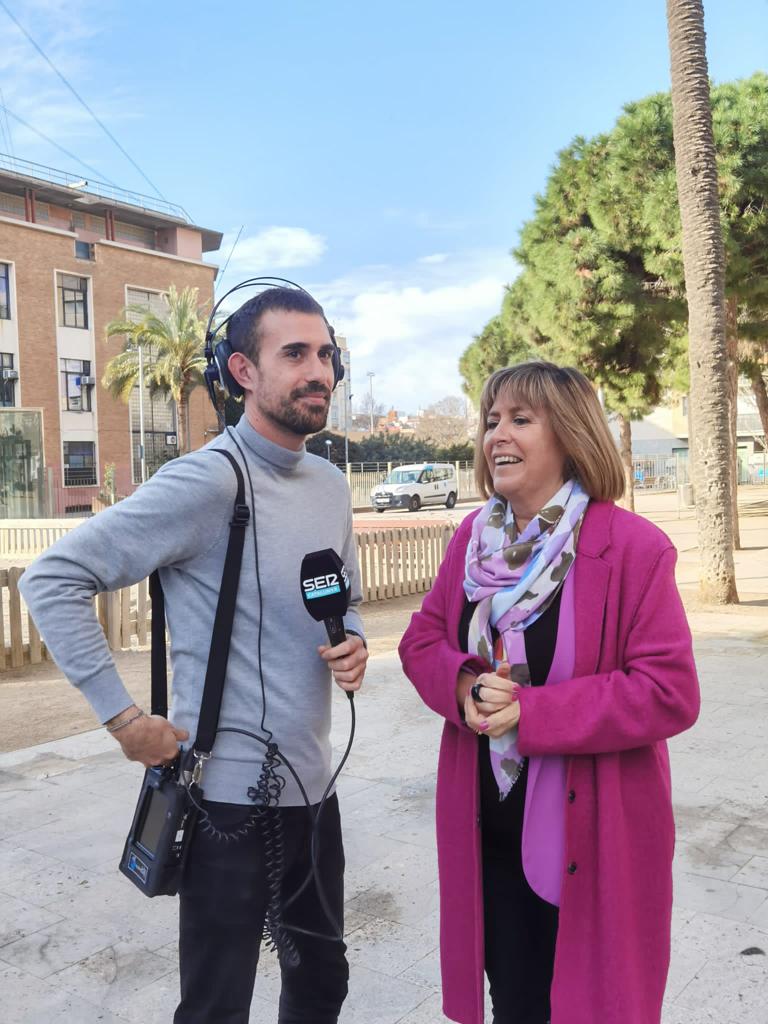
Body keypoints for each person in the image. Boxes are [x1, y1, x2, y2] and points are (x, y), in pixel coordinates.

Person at [19, 286, 369, 1024]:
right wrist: (123, 721)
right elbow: (54, 579)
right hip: (228, 807)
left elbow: (343, 596)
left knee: (321, 985)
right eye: (296, 354)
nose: (321, 373)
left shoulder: (331, 484)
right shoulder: (208, 480)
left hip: (313, 792)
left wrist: (353, 641)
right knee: (216, 1007)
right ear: (241, 370)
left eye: (327, 355)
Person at [398, 361, 699, 1024]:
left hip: (594, 839)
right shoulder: (471, 542)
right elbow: (421, 642)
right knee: (517, 1002)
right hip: (493, 835)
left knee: (594, 1002)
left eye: (520, 419)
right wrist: (466, 685)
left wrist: (531, 713)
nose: (496, 434)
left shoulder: (633, 549)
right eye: (491, 420)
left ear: (569, 434)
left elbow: (669, 690)